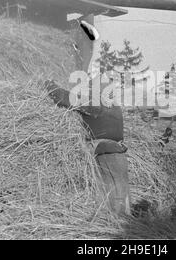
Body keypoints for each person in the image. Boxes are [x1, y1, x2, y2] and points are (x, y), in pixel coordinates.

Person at [44, 78, 131, 216]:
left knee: (108, 193)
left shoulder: (96, 105)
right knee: (121, 193)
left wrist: (50, 85)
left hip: (104, 151)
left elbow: (64, 98)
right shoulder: (114, 107)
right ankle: (124, 223)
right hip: (119, 153)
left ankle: (110, 223)